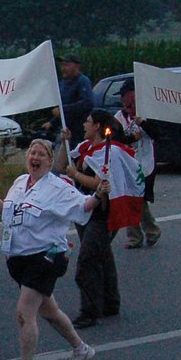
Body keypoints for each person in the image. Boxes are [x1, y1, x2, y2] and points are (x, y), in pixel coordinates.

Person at [0, 139, 105, 360]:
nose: (35, 157)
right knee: (49, 311)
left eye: (42, 154)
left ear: (50, 161)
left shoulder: (58, 187)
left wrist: (99, 194)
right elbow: (8, 212)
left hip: (46, 258)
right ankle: (81, 349)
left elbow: (82, 206)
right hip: (19, 259)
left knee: (24, 313)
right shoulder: (19, 183)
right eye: (32, 153)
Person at [59, 109, 142, 328]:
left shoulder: (109, 151)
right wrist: (63, 143)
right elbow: (61, 165)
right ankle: (110, 303)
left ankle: (89, 310)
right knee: (102, 256)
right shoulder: (85, 148)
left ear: (97, 126)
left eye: (87, 122)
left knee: (87, 260)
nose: (84, 125)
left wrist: (75, 175)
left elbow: (100, 184)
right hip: (84, 210)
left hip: (103, 213)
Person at [113, 81, 161, 249]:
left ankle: (150, 230)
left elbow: (158, 134)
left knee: (138, 199)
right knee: (129, 198)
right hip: (126, 163)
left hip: (144, 162)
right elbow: (116, 139)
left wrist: (142, 123)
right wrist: (133, 138)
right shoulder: (119, 118)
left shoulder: (146, 115)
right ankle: (137, 235)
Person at [53, 55, 93, 144]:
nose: (63, 68)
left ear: (77, 66)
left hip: (78, 131)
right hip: (64, 128)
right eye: (62, 65)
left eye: (66, 65)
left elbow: (87, 103)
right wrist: (52, 122)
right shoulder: (62, 84)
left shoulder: (83, 81)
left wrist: (63, 110)